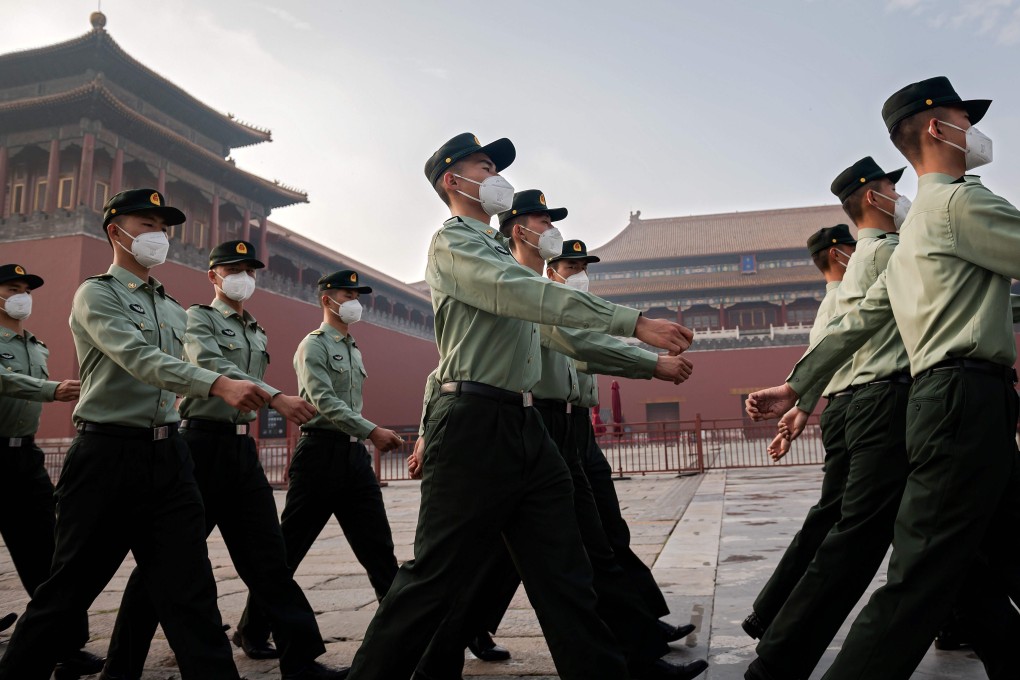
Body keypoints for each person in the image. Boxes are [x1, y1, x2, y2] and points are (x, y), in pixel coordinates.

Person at [346, 133, 694, 680]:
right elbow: (521, 293)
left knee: (565, 570)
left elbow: (560, 334)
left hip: (525, 424)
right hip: (473, 424)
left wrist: (640, 357)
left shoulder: (494, 252)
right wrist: (632, 322)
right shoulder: (453, 245)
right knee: (436, 576)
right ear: (451, 180)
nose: (496, 176)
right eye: (484, 166)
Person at [746, 77, 1020, 680]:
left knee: (980, 554)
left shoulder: (920, 223)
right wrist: (802, 389)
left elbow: (862, 319)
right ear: (936, 128)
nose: (974, 134)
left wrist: (798, 386)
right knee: (918, 573)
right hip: (964, 397)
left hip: (946, 397)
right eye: (964, 121)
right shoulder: (959, 203)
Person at [0, 189, 269, 680]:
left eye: (162, 228)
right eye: (146, 225)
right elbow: (139, 358)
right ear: (115, 232)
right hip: (107, 457)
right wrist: (217, 384)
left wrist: (235, 384)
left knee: (193, 596)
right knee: (67, 592)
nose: (157, 236)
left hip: (169, 458)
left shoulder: (171, 307)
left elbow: (184, 364)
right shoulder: (97, 294)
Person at [100, 240, 347, 680]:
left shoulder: (255, 329)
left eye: (249, 270)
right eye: (233, 269)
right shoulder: (197, 318)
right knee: (168, 560)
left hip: (239, 449)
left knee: (269, 556)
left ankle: (301, 659)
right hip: (198, 448)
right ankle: (122, 666)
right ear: (213, 276)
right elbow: (210, 364)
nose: (243, 277)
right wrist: (275, 397)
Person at [745, 158, 916, 680]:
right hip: (880, 401)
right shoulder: (886, 254)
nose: (897, 193)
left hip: (853, 405)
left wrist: (801, 403)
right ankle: (779, 647)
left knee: (850, 525)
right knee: (857, 534)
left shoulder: (833, 295)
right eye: (890, 185)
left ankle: (772, 624)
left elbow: (832, 343)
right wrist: (800, 398)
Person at [237, 269, 404, 657]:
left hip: (352, 459)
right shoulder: (312, 346)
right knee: (288, 551)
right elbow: (324, 401)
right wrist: (371, 431)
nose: (355, 301)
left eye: (357, 294)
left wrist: (362, 436)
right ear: (328, 299)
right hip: (318, 457)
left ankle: (403, 633)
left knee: (379, 550)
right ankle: (253, 629)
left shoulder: (353, 347)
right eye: (348, 294)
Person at [551, 240, 697, 644]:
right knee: (515, 551)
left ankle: (644, 623)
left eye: (584, 266)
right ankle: (456, 629)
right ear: (550, 270)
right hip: (548, 426)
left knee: (609, 532)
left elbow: (596, 351)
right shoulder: (541, 310)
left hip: (578, 426)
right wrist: (651, 362)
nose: (580, 273)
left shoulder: (584, 312)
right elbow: (581, 353)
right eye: (571, 265)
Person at [740, 224, 859, 643]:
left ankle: (770, 612)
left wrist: (802, 408)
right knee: (839, 523)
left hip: (843, 408)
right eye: (852, 246)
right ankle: (777, 621)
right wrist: (800, 404)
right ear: (835, 254)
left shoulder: (829, 304)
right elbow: (833, 353)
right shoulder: (847, 297)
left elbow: (822, 357)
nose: (859, 250)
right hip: (859, 407)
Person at [0, 263, 103, 679]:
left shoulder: (36, 346)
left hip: (24, 459)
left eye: (26, 289)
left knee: (49, 555)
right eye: (12, 287)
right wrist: (49, 389)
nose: (21, 295)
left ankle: (65, 645)